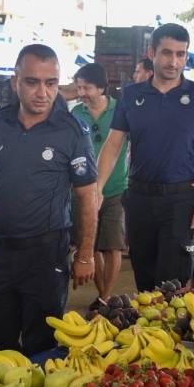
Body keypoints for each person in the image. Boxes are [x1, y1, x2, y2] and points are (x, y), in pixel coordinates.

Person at [0, 45, 98, 354]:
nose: (42, 92)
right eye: (32, 82)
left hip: (46, 254)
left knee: (41, 345)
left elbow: (87, 196)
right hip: (0, 249)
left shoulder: (73, 131)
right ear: (15, 83)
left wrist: (85, 253)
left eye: (51, 83)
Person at [95, 23, 194, 291]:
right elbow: (113, 144)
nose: (173, 61)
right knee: (144, 279)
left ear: (186, 56)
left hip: (181, 201)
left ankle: (168, 332)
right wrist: (96, 190)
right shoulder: (131, 94)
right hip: (139, 198)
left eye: (180, 54)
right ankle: (147, 332)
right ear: (152, 52)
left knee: (172, 284)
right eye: (166, 53)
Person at [70, 63, 128, 307]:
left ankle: (104, 296)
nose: (81, 92)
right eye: (79, 87)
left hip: (115, 188)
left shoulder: (120, 110)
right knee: (91, 243)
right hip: (84, 190)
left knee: (112, 246)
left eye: (87, 87)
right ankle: (104, 295)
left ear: (102, 88)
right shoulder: (75, 113)